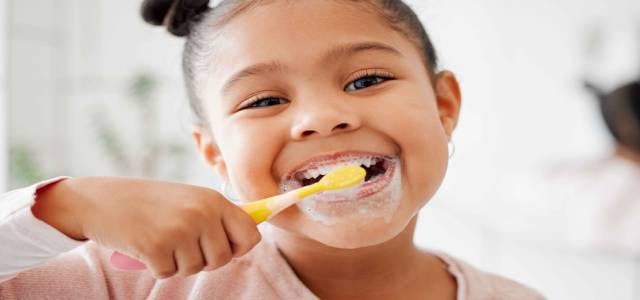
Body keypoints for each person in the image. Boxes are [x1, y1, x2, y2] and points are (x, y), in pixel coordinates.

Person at [0, 0, 543, 299]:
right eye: (263, 99)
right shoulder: (128, 284)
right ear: (214, 154)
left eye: (365, 80)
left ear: (444, 104)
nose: (321, 117)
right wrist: (65, 206)